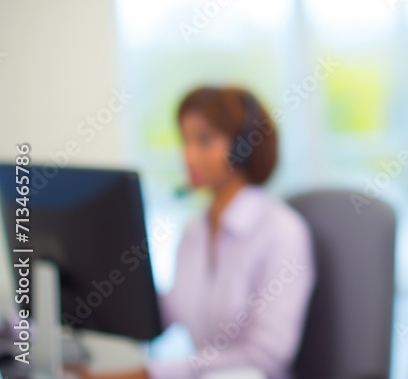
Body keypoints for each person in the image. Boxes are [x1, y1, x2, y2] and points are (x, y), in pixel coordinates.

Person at [78, 86, 315, 379]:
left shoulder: (282, 231)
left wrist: (147, 374)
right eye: (185, 140)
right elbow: (166, 313)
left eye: (204, 140)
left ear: (244, 147)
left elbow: (265, 356)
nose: (188, 155)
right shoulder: (194, 231)